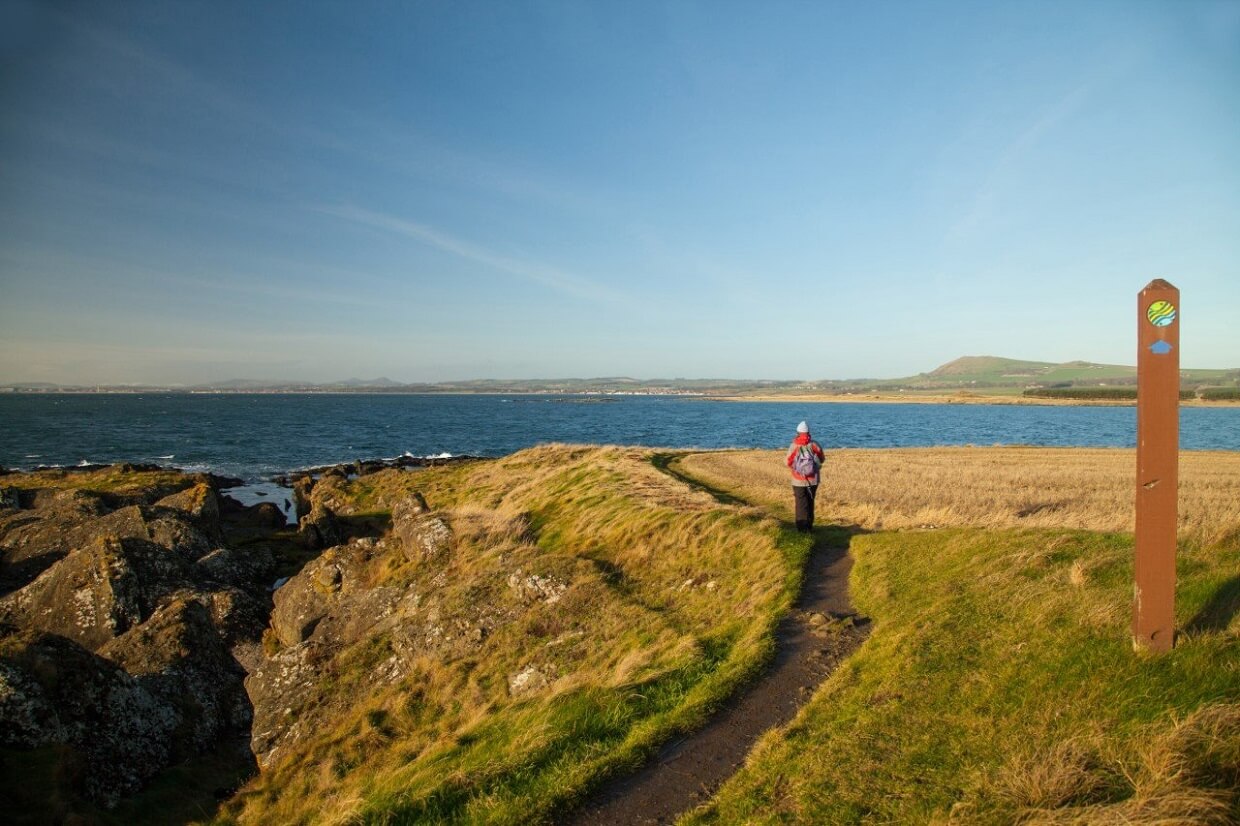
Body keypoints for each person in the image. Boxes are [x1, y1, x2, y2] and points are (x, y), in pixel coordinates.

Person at [786, 420, 825, 533]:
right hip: (813, 480)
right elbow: (822, 459)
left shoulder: (794, 446)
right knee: (810, 502)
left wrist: (797, 468)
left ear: (797, 432)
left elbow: (788, 462)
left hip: (798, 481)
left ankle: (802, 529)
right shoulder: (814, 445)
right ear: (808, 432)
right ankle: (809, 527)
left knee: (800, 503)